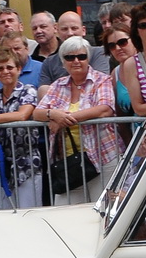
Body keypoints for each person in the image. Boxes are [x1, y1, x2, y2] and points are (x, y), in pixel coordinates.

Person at [36, 36, 122, 205]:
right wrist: (52, 115)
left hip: (102, 156)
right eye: (70, 57)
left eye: (81, 56)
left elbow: (105, 108)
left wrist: (65, 118)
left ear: (88, 58)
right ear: (63, 62)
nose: (76, 61)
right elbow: (37, 113)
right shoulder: (58, 84)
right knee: (65, 214)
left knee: (103, 211)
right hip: (69, 162)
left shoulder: (101, 79)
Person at [0, 50, 43, 209]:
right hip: (0, 163)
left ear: (19, 69)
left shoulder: (28, 90)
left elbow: (23, 114)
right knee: (4, 213)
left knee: (29, 212)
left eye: (9, 67)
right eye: (0, 68)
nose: (5, 72)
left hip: (26, 162)